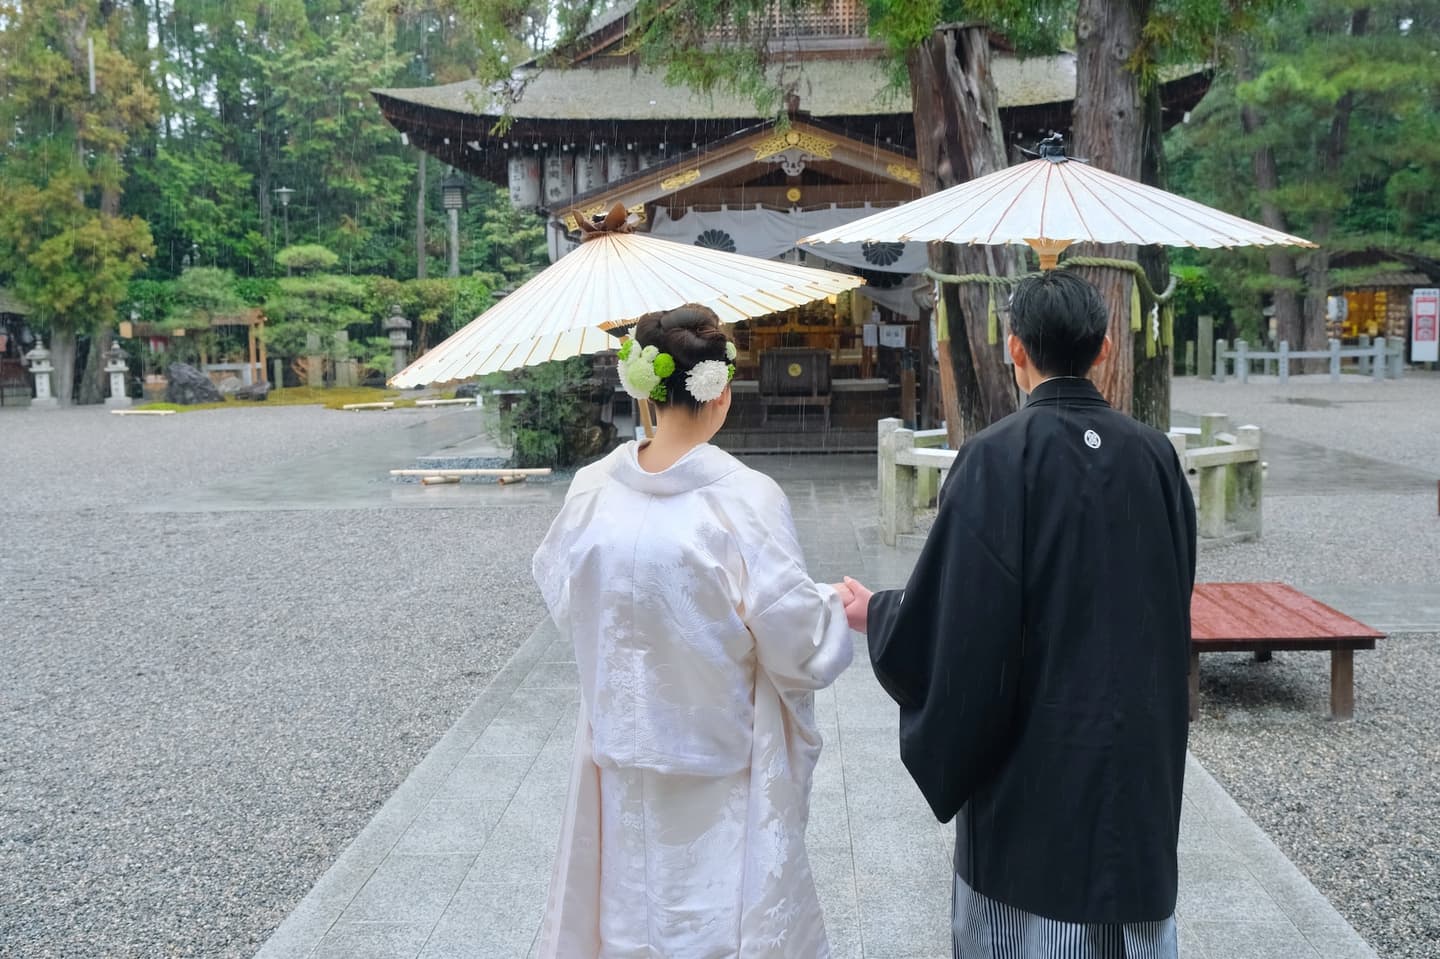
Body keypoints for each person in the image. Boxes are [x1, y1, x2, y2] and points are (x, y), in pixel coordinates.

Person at [841, 271, 1197, 958]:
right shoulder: (1156, 456)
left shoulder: (994, 458)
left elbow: (960, 623)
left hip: (1035, 763)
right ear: (1104, 349)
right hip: (1137, 757)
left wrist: (881, 615)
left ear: (1014, 349)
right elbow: (1168, 594)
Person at [531, 304, 854, 958]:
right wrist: (831, 604)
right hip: (716, 767)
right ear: (722, 391)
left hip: (621, 754)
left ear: (643, 391)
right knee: (716, 928)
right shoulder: (744, 498)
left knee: (628, 921)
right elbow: (796, 643)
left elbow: (567, 596)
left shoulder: (592, 490)